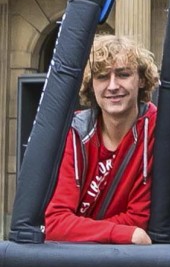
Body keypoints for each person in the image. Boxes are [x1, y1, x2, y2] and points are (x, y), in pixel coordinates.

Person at [44, 35, 158, 244]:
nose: (113, 86)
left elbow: (140, 219)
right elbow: (54, 223)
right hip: (76, 265)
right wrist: (120, 233)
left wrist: (81, 229)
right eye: (103, 76)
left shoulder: (155, 129)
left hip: (129, 264)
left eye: (123, 74)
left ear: (141, 80)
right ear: (91, 84)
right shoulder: (75, 132)